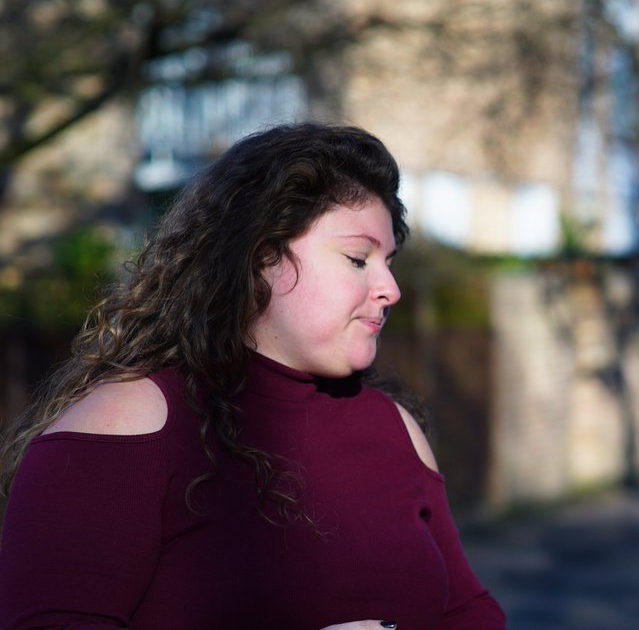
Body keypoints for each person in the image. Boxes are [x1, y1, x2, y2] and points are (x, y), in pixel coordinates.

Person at [0, 123, 506, 629]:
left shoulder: (395, 428)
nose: (390, 289)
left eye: (388, 262)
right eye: (357, 258)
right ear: (260, 255)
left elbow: (470, 612)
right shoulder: (125, 427)